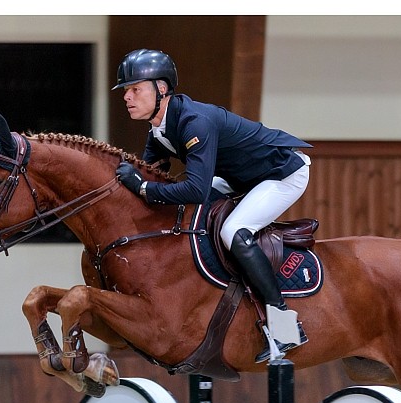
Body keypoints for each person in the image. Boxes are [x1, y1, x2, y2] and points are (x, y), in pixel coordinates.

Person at [112, 48, 311, 362]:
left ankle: (286, 328)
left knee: (234, 231)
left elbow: (194, 188)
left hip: (282, 173)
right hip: (241, 178)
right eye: (126, 90)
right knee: (190, 216)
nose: (127, 96)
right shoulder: (159, 130)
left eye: (135, 89)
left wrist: (143, 187)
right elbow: (151, 175)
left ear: (161, 88)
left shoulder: (195, 122)